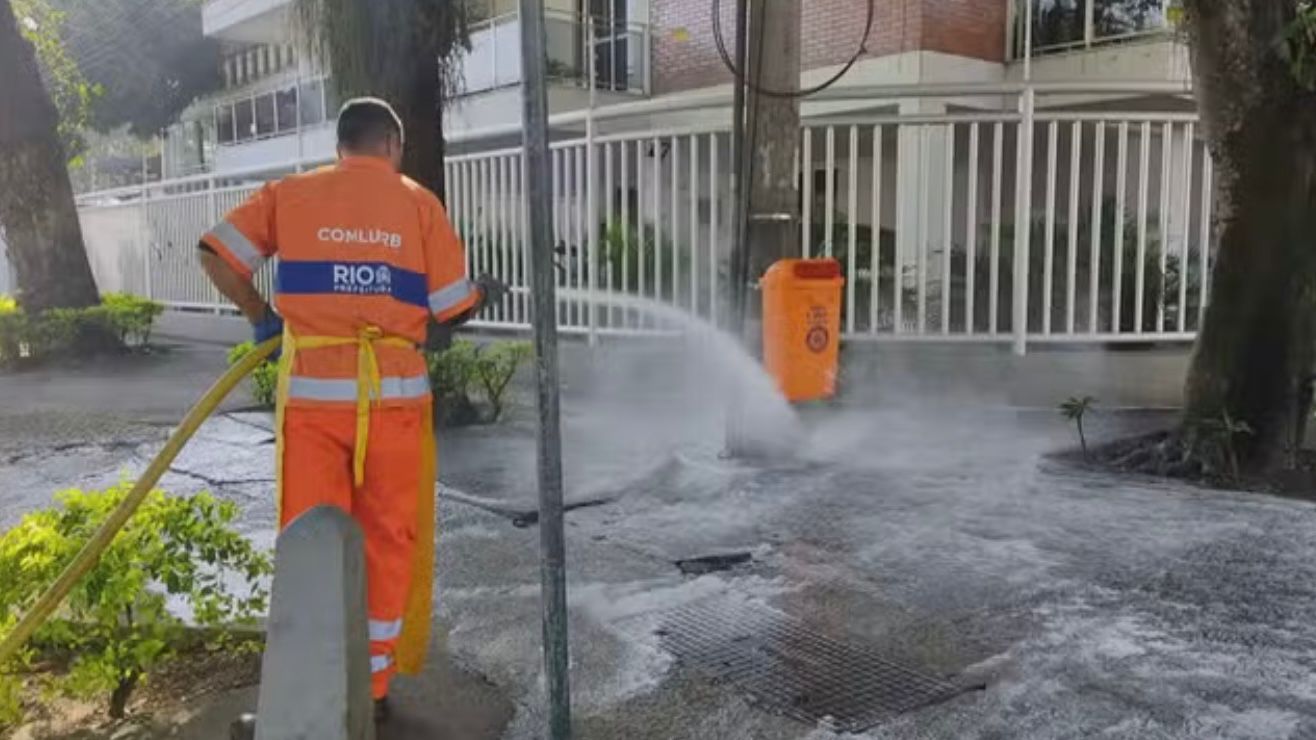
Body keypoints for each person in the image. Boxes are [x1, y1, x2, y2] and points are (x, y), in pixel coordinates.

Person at [198, 97, 499, 719]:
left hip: (311, 404)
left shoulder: (292, 193)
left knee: (310, 539)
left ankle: (311, 684)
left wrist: (262, 317)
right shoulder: (418, 203)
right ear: (391, 145)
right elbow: (450, 307)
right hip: (394, 406)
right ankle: (374, 688)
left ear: (342, 147)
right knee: (388, 538)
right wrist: (480, 293)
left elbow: (215, 254)